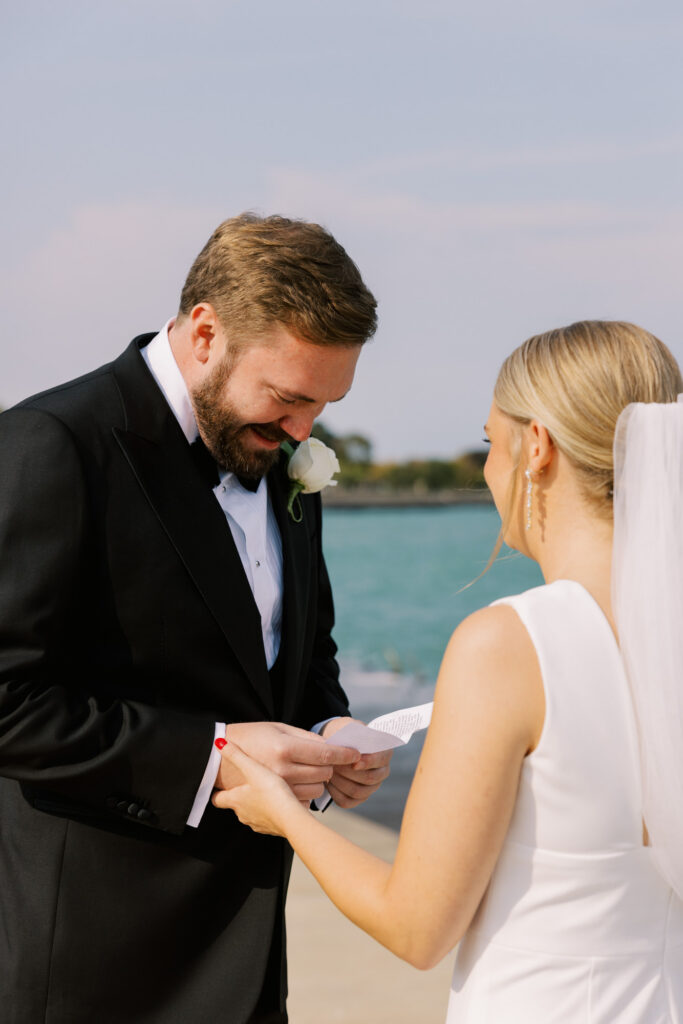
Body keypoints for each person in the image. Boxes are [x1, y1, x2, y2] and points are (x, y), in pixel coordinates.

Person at [218, 320, 683, 1022]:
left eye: (491, 444)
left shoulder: (509, 645)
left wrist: (282, 813)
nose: (489, 471)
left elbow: (416, 927)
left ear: (537, 448)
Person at [0, 213, 392, 1024]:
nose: (303, 432)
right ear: (206, 333)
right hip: (93, 964)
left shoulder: (278, 452)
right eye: (288, 398)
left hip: (247, 957)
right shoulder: (52, 443)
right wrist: (215, 759)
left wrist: (329, 731)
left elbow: (296, 649)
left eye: (323, 405)